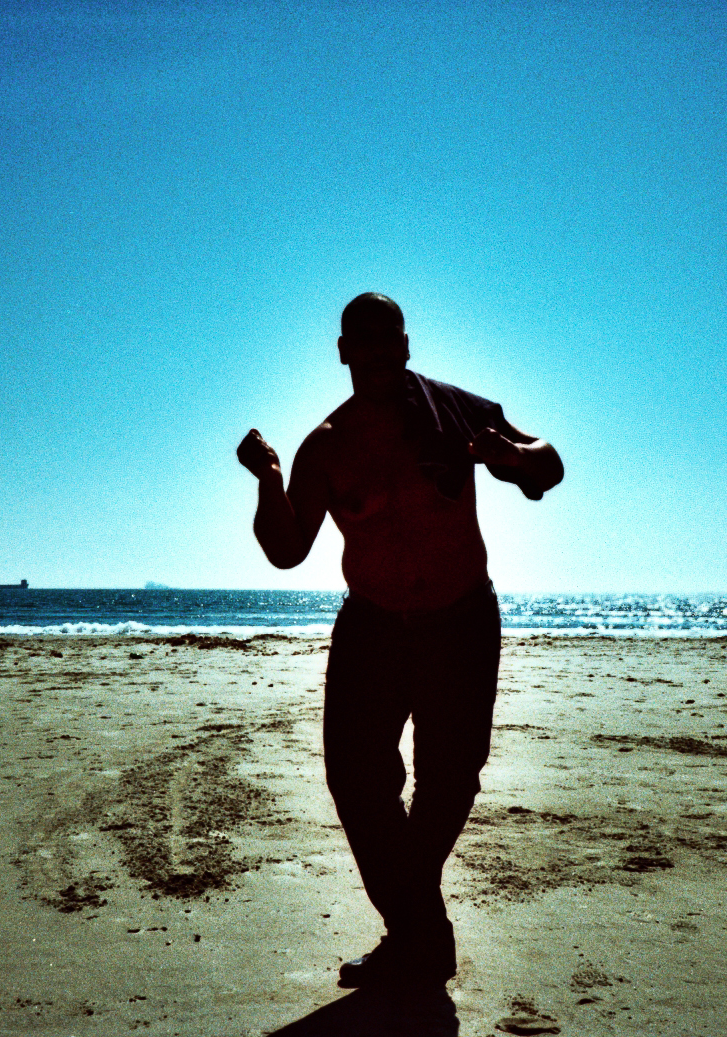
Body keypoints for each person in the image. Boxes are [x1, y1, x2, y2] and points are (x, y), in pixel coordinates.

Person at [236, 292, 563, 989]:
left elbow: (549, 465)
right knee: (356, 781)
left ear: (406, 344)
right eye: (367, 339)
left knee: (449, 778)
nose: (383, 351)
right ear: (343, 350)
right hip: (373, 624)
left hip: (460, 619)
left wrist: (511, 455)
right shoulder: (326, 445)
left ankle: (412, 931)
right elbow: (287, 548)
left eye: (393, 338)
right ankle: (419, 931)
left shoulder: (455, 410)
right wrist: (267, 480)